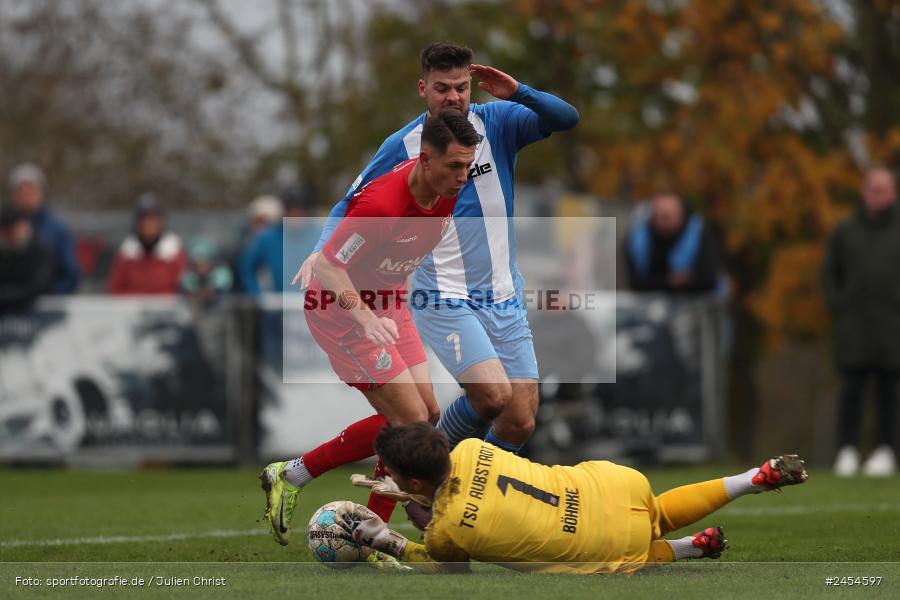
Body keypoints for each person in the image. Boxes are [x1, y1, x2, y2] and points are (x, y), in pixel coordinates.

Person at [293, 42, 580, 460]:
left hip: (503, 291)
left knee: (520, 420)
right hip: (443, 293)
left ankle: (460, 488)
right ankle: (432, 474)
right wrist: (321, 251)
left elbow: (567, 119)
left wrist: (519, 91)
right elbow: (351, 201)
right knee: (490, 396)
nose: (454, 97)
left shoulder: (496, 122)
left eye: (462, 87)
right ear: (423, 88)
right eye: (443, 88)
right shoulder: (402, 145)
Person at [260, 109, 481, 546]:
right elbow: (329, 267)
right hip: (342, 313)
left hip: (390, 300)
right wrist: (364, 316)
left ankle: (293, 475)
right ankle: (367, 531)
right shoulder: (382, 205)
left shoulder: (449, 189)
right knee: (410, 422)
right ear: (424, 159)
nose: (462, 176)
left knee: (428, 416)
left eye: (467, 166)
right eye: (454, 166)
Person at [339, 422, 808, 574]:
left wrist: (384, 538)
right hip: (614, 482)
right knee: (658, 510)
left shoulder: (448, 530)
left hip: (604, 541)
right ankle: (749, 479)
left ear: (416, 483)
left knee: (625, 553)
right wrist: (412, 493)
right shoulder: (471, 447)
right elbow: (458, 493)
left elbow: (442, 555)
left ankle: (684, 550)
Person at [823, 166, 900, 477]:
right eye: (871, 188)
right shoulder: (845, 230)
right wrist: (839, 305)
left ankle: (886, 450)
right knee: (851, 390)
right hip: (853, 327)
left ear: (893, 192)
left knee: (889, 393)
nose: (875, 194)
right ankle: (847, 451)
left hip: (892, 327)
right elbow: (830, 274)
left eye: (882, 189)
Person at [625, 192, 724, 294]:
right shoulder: (639, 239)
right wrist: (674, 280)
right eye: (657, 217)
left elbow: (708, 279)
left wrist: (667, 282)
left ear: (681, 215)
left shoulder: (698, 233)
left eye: (667, 217)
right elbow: (636, 283)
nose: (662, 223)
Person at [9, 163, 79, 293]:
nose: (25, 196)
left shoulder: (57, 229)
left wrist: (51, 295)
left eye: (30, 190)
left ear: (40, 192)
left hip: (47, 306)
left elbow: (70, 273)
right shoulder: (6, 229)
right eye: (20, 191)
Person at [239, 188, 318, 296]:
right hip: (279, 307)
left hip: (314, 305)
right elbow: (247, 268)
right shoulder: (269, 237)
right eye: (291, 210)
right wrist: (257, 296)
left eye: (300, 210)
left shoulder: (320, 235)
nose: (295, 215)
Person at [107, 193, 187, 295]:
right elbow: (115, 289)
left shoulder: (174, 252)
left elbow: (181, 289)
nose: (149, 225)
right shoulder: (127, 253)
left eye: (153, 220)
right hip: (130, 309)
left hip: (165, 309)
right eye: (145, 220)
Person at [0, 205, 56, 313]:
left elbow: (39, 285)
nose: (9, 236)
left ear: (23, 226)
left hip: (37, 314)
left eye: (11, 230)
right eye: (4, 231)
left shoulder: (41, 251)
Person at [180, 236, 233, 306]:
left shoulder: (221, 275)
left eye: (204, 264)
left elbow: (213, 294)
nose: (200, 269)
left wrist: (203, 293)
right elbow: (189, 291)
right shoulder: (189, 276)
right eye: (197, 265)